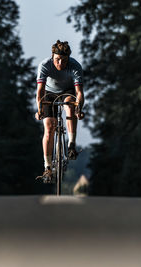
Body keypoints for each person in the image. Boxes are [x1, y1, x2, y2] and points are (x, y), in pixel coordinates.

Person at [35, 40, 85, 183]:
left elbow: (79, 93)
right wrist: (39, 109)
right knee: (49, 127)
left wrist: (79, 108)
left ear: (68, 59)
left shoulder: (75, 66)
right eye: (57, 60)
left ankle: (71, 145)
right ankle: (48, 167)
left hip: (67, 91)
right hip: (49, 93)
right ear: (52, 57)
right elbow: (40, 92)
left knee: (70, 104)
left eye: (64, 61)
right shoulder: (45, 65)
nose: (60, 64)